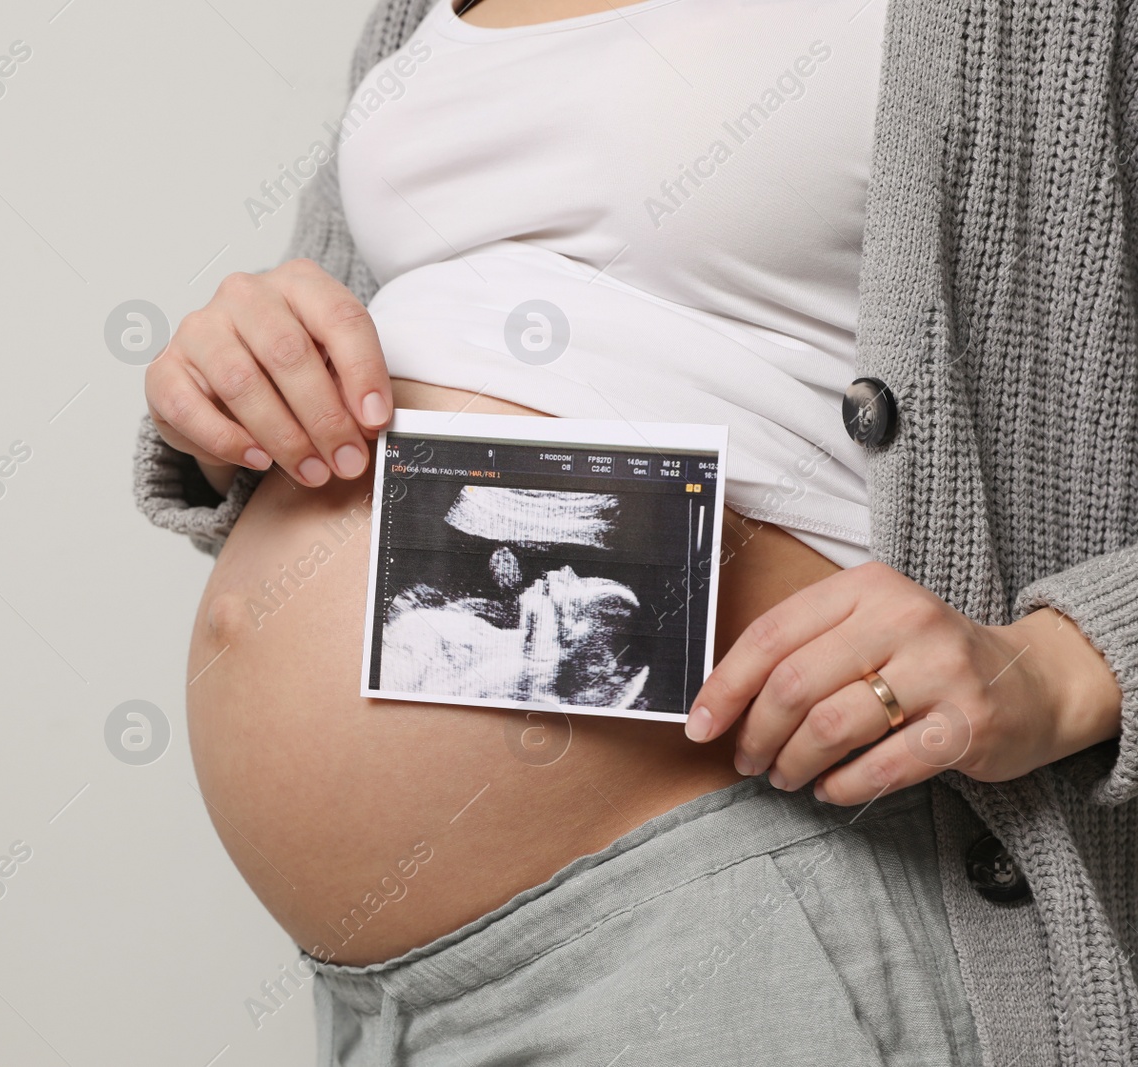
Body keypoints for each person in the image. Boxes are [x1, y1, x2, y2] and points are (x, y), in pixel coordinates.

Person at [132, 0, 1138, 1062]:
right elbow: (352, 373)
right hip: (386, 997)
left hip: (746, 905)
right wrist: (234, 398)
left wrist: (1067, 664)